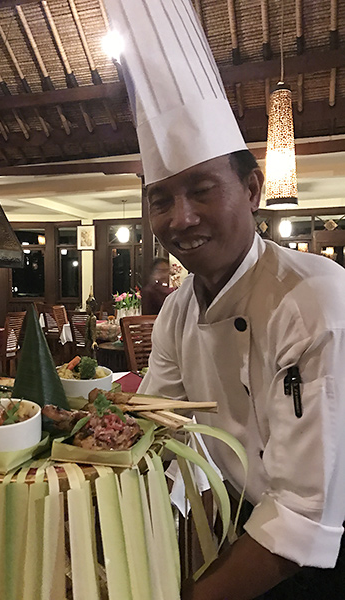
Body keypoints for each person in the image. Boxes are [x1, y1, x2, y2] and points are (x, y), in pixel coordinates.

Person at [105, 0, 345, 597]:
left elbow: (304, 516)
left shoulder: (315, 300)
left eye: (201, 190)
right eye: (161, 199)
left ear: (253, 189)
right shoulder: (179, 312)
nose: (180, 218)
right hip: (246, 525)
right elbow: (160, 439)